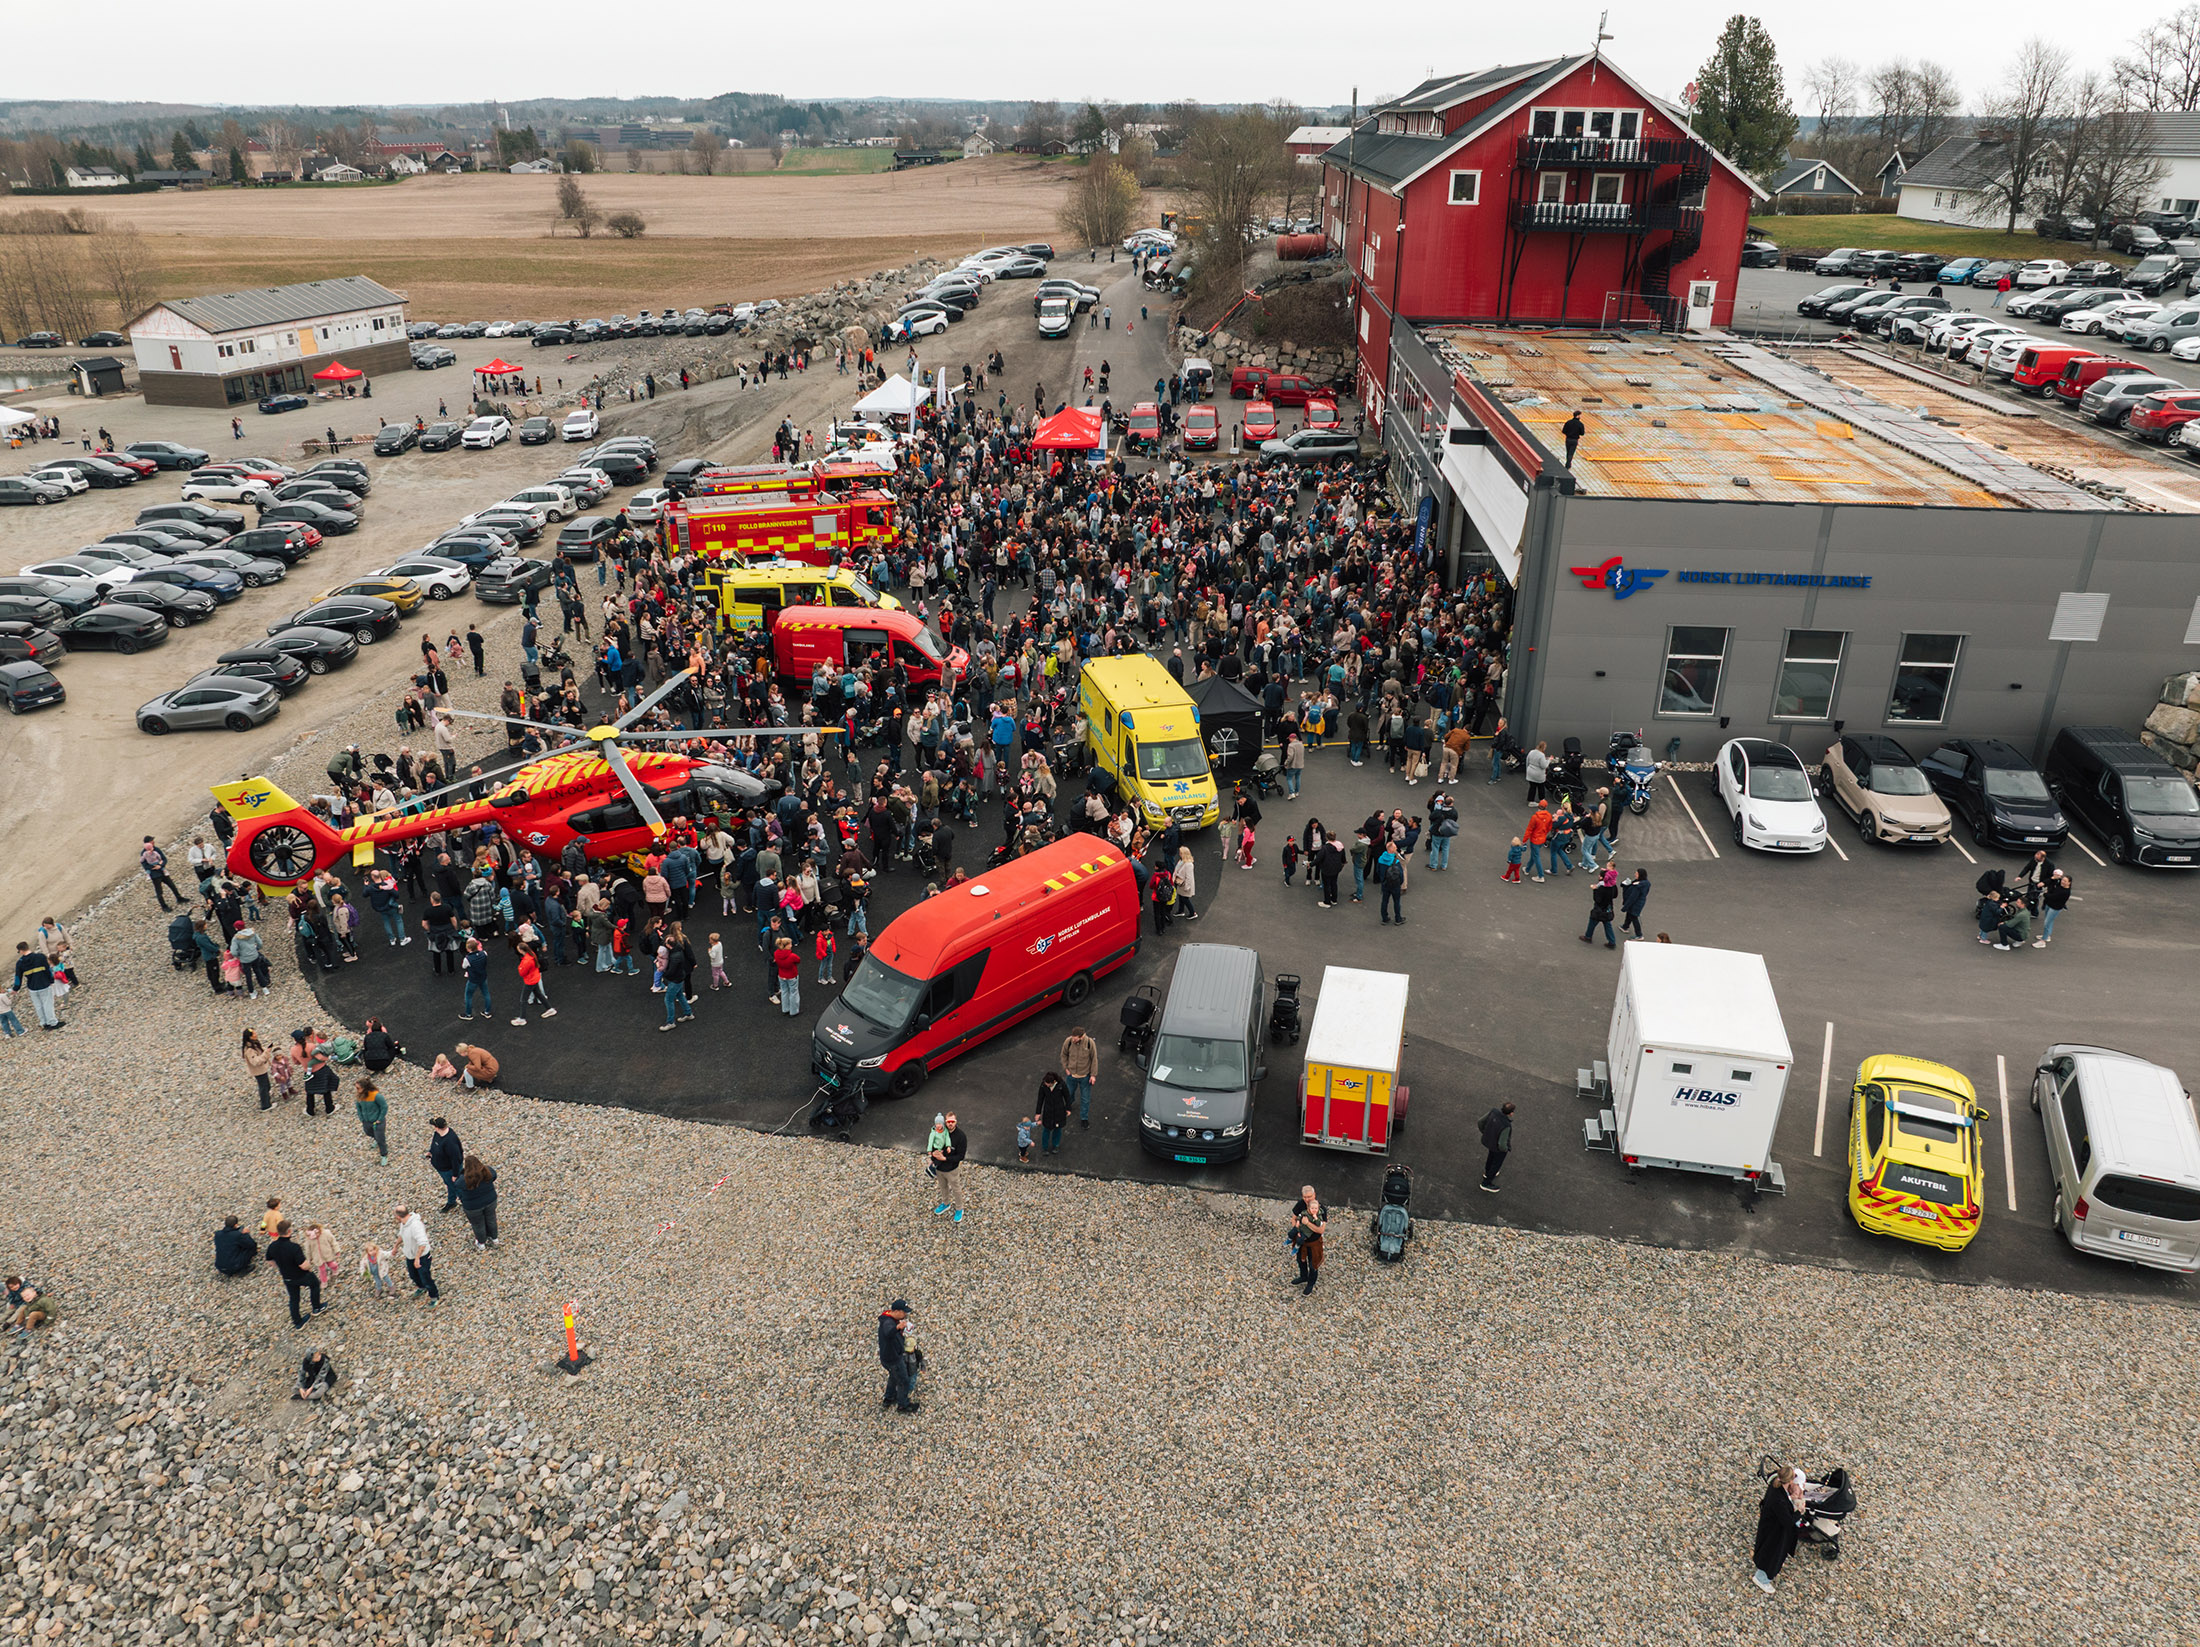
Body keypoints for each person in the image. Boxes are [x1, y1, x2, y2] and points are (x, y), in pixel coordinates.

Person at [1752, 1464, 1814, 1593]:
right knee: (1772, 1553)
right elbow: (1788, 1522)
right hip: (1775, 1530)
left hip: (1769, 1524)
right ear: (1790, 1481)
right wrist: (1799, 1512)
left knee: (1767, 1548)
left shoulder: (1775, 1484)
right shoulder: (1778, 1501)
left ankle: (1763, 1575)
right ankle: (1761, 1579)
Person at [266, 1219, 326, 1329]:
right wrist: (309, 1266)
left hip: (287, 1277)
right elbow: (303, 1265)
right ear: (289, 1231)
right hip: (301, 1275)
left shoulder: (272, 1246)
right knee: (315, 1285)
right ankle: (316, 1308)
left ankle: (298, 1322)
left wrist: (281, 1266)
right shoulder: (294, 1247)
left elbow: (270, 1261)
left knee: (294, 1298)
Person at [878, 1299, 920, 1413]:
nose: (905, 1314)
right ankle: (903, 1405)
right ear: (896, 1311)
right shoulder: (888, 1323)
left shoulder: (888, 1319)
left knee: (893, 1376)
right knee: (903, 1380)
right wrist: (898, 1327)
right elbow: (888, 1332)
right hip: (893, 1358)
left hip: (888, 1357)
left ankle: (889, 1397)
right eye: (903, 1312)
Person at [12, 942, 62, 1030]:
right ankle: (53, 1023)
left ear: (21, 951)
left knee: (38, 1006)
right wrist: (51, 980)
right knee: (47, 1004)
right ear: (27, 947)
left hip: (32, 987)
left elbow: (18, 977)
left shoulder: (20, 963)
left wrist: (16, 988)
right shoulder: (40, 957)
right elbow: (48, 970)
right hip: (44, 984)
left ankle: (44, 1023)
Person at [395, 1205, 440, 1302]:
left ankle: (434, 1296)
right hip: (410, 1255)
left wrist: (417, 1258)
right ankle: (421, 1287)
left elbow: (423, 1243)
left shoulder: (416, 1226)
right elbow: (401, 1235)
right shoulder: (403, 1223)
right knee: (413, 1275)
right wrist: (395, 1246)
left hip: (422, 1257)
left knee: (425, 1277)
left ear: (398, 1217)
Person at [929, 1111, 967, 1223]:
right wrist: (933, 1158)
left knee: (956, 1189)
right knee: (943, 1187)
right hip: (939, 1168)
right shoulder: (939, 1131)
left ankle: (959, 1208)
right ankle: (946, 1204)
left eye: (952, 1121)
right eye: (948, 1121)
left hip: (952, 1169)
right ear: (945, 1121)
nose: (950, 1124)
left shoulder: (961, 1136)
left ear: (956, 1122)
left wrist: (945, 1159)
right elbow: (931, 1145)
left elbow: (961, 1156)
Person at [1289, 1188, 1326, 1296]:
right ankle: (1303, 1276)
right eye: (1305, 1197)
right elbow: (1293, 1219)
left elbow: (1321, 1229)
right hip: (1302, 1241)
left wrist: (1307, 1223)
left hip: (1314, 1242)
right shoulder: (1300, 1204)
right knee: (1301, 1260)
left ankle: (1310, 1283)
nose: (1307, 1199)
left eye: (1309, 1197)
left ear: (1314, 1195)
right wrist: (1297, 1230)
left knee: (1313, 1264)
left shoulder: (1320, 1208)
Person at [459, 1154, 500, 1249]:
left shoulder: (464, 1179)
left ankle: (481, 1243)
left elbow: (457, 1184)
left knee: (478, 1224)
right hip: (490, 1201)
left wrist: (462, 1173)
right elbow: (494, 1176)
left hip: (473, 1207)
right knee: (491, 1219)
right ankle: (494, 1238)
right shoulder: (488, 1171)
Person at [1060, 1028, 1098, 1127]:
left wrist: (1093, 1075)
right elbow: (1063, 1055)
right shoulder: (1068, 1041)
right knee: (1069, 1093)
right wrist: (1066, 1068)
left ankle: (1084, 1119)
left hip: (1085, 1077)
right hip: (1071, 1075)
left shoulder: (1090, 1043)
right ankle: (1068, 1105)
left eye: (1075, 1038)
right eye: (1072, 1037)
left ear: (1081, 1037)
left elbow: (1094, 1059)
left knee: (1085, 1099)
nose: (1073, 1040)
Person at [427, 1118, 466, 1211]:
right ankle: (452, 1201)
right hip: (441, 1167)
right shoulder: (437, 1134)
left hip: (449, 1169)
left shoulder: (450, 1142)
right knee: (449, 1185)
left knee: (457, 1187)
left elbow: (456, 1159)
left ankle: (467, 1203)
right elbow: (434, 1144)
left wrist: (455, 1174)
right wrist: (430, 1152)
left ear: (437, 1127)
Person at [1479, 1102, 1516, 1193]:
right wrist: (1505, 1149)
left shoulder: (1493, 1112)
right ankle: (1486, 1183)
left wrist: (1485, 1132)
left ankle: (1487, 1172)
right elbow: (1502, 1144)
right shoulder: (1506, 1125)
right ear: (1511, 1113)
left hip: (1490, 1142)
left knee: (1491, 1157)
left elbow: (1480, 1122)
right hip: (1498, 1148)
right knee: (1496, 1164)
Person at [140, 836, 184, 910]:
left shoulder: (156, 849)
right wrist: (154, 867)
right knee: (159, 891)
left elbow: (164, 858)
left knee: (172, 885)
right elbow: (144, 865)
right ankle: (163, 906)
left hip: (162, 871)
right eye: (152, 841)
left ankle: (179, 898)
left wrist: (160, 865)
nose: (153, 842)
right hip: (155, 875)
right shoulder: (144, 853)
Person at [354, 1077, 389, 1165]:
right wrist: (361, 1118)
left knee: (380, 1139)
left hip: (377, 1122)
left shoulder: (376, 1096)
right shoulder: (359, 1097)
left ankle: (384, 1155)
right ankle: (376, 1139)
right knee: (368, 1132)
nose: (357, 1090)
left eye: (358, 1088)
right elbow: (358, 1108)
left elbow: (384, 1107)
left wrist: (380, 1119)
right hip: (366, 1121)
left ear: (365, 1087)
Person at [1581, 868, 1618, 949]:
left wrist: (1595, 890)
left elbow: (1597, 900)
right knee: (1607, 924)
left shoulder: (1601, 888)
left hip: (1599, 909)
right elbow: (1615, 895)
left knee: (1593, 921)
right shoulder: (1613, 886)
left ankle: (1588, 936)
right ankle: (1612, 942)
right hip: (1608, 908)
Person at [1037, 1071, 1070, 1156]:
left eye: (1048, 1083)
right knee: (1046, 1129)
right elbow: (1040, 1099)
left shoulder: (1061, 1085)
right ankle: (1045, 1147)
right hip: (1048, 1111)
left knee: (1057, 1129)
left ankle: (1055, 1146)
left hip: (1059, 1111)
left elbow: (1067, 1096)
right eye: (1045, 1083)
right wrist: (1038, 1112)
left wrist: (1068, 1108)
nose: (1046, 1085)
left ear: (1054, 1082)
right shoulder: (1043, 1086)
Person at [2038, 870, 2072, 945]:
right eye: (2063, 880)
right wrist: (2053, 878)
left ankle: (2043, 941)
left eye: (2065, 881)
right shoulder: (2060, 886)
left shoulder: (2065, 892)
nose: (2063, 882)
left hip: (2054, 908)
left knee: (2047, 923)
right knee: (2049, 921)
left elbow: (2052, 897)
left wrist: (2045, 894)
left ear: (2069, 883)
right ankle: (2047, 936)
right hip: (2049, 905)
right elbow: (2051, 881)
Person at [242, 1029, 274, 1108]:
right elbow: (256, 1062)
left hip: (262, 1069)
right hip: (259, 1071)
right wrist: (266, 1053)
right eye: (254, 1034)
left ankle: (267, 1098)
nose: (256, 1034)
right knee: (263, 1087)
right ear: (250, 1037)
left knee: (266, 1085)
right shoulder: (249, 1049)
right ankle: (266, 1105)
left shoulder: (253, 1044)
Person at [1620, 867, 1651, 938]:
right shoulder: (1645, 883)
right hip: (1639, 903)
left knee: (1634, 917)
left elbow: (1632, 898)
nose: (1635, 874)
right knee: (1630, 914)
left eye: (1636, 873)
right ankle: (1625, 926)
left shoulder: (1638, 886)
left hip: (1635, 904)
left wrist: (1625, 907)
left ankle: (1639, 935)